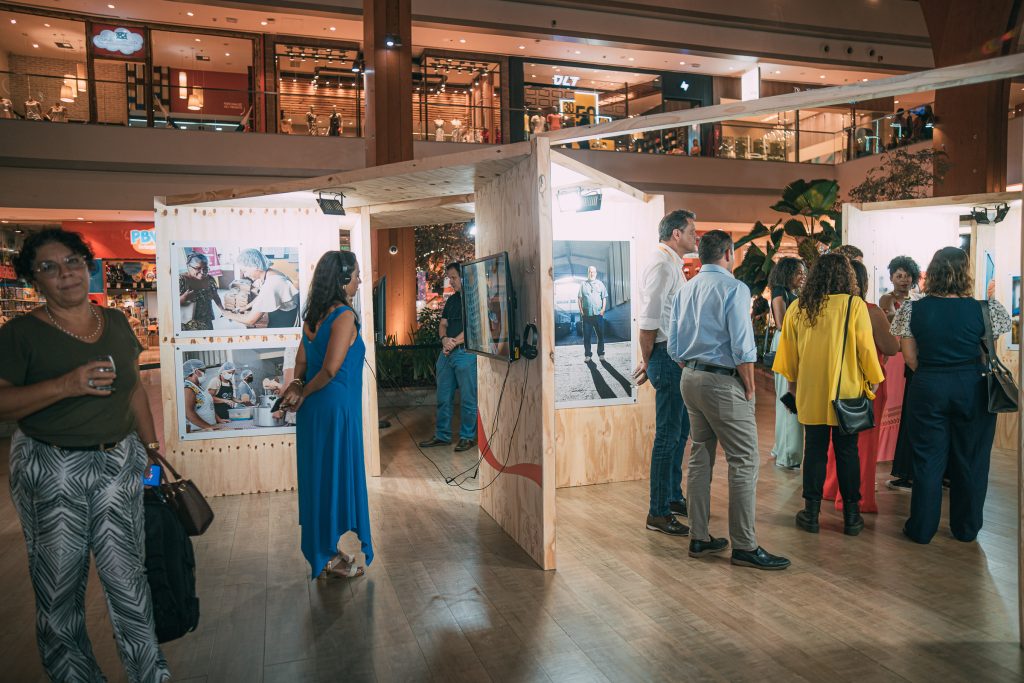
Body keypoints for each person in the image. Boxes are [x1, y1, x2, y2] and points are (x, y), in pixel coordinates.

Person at [0, 229, 169, 681]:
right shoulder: (20, 333)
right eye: (49, 267)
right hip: (51, 469)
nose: (66, 274)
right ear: (33, 279)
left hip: (118, 462)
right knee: (59, 589)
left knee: (129, 582)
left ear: (87, 264)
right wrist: (65, 385)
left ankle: (149, 674)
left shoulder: (113, 322)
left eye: (73, 261)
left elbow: (133, 388)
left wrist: (151, 449)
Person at [668, 230, 789, 569]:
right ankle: (745, 545)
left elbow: (675, 345)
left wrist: (694, 367)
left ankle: (700, 537)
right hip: (722, 381)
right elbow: (742, 344)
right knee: (744, 459)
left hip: (690, 377)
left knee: (700, 456)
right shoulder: (734, 289)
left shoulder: (685, 289)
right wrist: (749, 385)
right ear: (729, 253)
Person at [892, 247, 1011, 544]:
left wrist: (934, 370)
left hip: (929, 384)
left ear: (932, 272)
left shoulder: (912, 308)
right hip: (973, 386)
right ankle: (966, 528)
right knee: (972, 459)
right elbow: (988, 350)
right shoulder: (986, 309)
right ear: (965, 272)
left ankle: (922, 529)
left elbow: (909, 358)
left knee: (927, 459)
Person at [774, 254, 884, 536]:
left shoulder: (799, 307)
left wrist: (792, 389)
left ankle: (810, 514)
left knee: (814, 452)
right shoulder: (853, 305)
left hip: (811, 393)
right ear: (846, 276)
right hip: (845, 392)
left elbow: (788, 356)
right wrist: (874, 379)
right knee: (848, 453)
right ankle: (851, 517)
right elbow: (866, 348)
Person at [280, 250, 373, 578]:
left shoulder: (313, 316)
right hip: (336, 411)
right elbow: (332, 370)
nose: (360, 281)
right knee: (338, 480)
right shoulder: (345, 315)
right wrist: (302, 390)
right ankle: (333, 556)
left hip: (313, 411)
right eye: (357, 275)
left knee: (319, 480)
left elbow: (302, 365)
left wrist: (298, 387)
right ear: (343, 278)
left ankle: (327, 552)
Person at [633, 209, 697, 535]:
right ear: (676, 234)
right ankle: (657, 512)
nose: (695, 236)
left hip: (672, 357)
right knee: (668, 436)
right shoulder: (661, 265)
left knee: (679, 432)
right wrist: (648, 359)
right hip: (666, 357)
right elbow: (649, 321)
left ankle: (672, 496)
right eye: (691, 231)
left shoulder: (671, 263)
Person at [822, 260, 900, 513]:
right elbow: (891, 347)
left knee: (836, 440)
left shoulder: (822, 308)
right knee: (863, 443)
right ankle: (858, 498)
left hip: (831, 382)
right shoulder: (869, 311)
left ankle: (831, 488)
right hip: (866, 384)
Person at [419, 262, 478, 453]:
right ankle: (442, 435)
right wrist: (444, 339)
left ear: (464, 276)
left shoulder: (474, 299)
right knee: (443, 396)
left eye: (453, 277)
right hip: (447, 353)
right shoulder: (452, 300)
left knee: (469, 398)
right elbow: (443, 324)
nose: (451, 282)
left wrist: (453, 343)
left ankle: (467, 437)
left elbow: (474, 328)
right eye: (449, 278)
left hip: (465, 353)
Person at [880, 255, 923, 491]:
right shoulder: (887, 298)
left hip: (910, 352)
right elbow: (887, 318)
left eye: (907, 275)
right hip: (894, 352)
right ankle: (886, 451)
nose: (904, 280)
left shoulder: (917, 299)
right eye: (899, 275)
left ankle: (900, 452)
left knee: (905, 402)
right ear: (892, 278)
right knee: (892, 400)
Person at [767, 257, 807, 470]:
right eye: (799, 272)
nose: (802, 276)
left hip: (792, 342)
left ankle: (783, 448)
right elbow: (782, 323)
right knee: (789, 398)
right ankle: (788, 454)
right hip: (787, 343)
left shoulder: (791, 293)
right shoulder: (779, 292)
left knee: (788, 398)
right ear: (787, 272)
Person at [223, 248, 300, 329]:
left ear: (255, 267)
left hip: (285, 321)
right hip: (281, 314)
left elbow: (250, 320)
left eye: (245, 271)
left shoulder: (271, 284)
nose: (245, 275)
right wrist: (246, 307)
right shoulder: (270, 272)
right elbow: (262, 296)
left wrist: (228, 314)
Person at [179, 251, 223, 330]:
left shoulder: (209, 279)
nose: (202, 272)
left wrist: (223, 310)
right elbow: (171, 304)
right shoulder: (181, 280)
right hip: (187, 324)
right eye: (198, 268)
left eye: (205, 268)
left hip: (206, 322)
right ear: (188, 266)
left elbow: (215, 295)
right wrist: (184, 298)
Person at [578, 265, 608, 361]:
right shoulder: (583, 284)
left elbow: (604, 297)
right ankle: (588, 355)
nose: (592, 273)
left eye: (593, 272)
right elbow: (579, 299)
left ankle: (601, 354)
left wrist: (603, 309)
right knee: (586, 337)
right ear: (588, 273)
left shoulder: (600, 284)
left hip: (598, 315)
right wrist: (581, 311)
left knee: (601, 336)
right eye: (590, 272)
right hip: (587, 316)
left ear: (596, 273)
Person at [183, 358, 218, 431]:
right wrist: (208, 427)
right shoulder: (188, 388)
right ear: (196, 371)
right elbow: (188, 413)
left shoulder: (198, 387)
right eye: (203, 371)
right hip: (199, 430)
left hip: (209, 428)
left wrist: (218, 419)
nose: (205, 374)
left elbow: (208, 406)